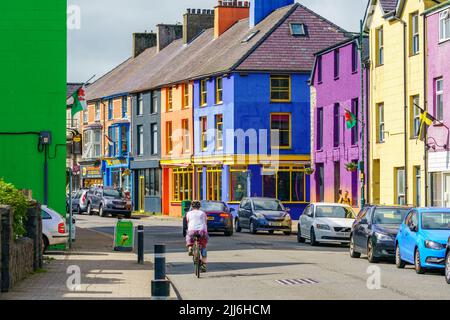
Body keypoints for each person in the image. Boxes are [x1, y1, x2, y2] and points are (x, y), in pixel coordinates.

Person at [185, 200, 209, 272]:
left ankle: (190, 247)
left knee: (188, 236)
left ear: (192, 206)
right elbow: (205, 222)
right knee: (204, 245)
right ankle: (204, 265)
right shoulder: (203, 213)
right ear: (200, 206)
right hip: (202, 231)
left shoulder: (188, 213)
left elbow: (188, 222)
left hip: (192, 230)